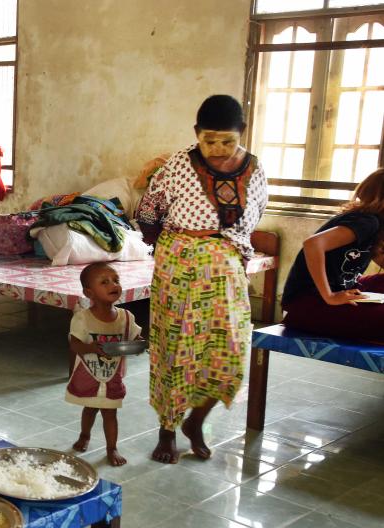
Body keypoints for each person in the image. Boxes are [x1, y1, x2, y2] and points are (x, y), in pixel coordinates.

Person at [136, 95, 269, 464]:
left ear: (242, 134)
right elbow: (149, 209)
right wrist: (167, 245)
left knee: (230, 351)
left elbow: (253, 216)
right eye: (209, 140)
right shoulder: (179, 164)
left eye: (227, 140)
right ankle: (167, 429)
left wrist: (225, 249)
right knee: (174, 349)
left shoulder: (255, 170)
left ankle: (195, 422)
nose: (218, 149)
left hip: (225, 269)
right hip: (177, 266)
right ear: (196, 134)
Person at [280, 168, 384, 342]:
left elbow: (378, 257)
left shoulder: (374, 224)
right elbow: (312, 245)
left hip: (343, 290)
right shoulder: (366, 222)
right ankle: (303, 320)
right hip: (307, 301)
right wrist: (330, 297)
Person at [67, 262, 143, 466]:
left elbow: (136, 336)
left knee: (110, 413)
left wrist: (138, 344)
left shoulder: (126, 317)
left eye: (116, 280)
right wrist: (91, 348)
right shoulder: (82, 318)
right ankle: (85, 435)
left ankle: (112, 448)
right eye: (104, 282)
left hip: (112, 377)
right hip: (89, 376)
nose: (113, 285)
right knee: (90, 408)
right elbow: (74, 344)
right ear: (89, 292)